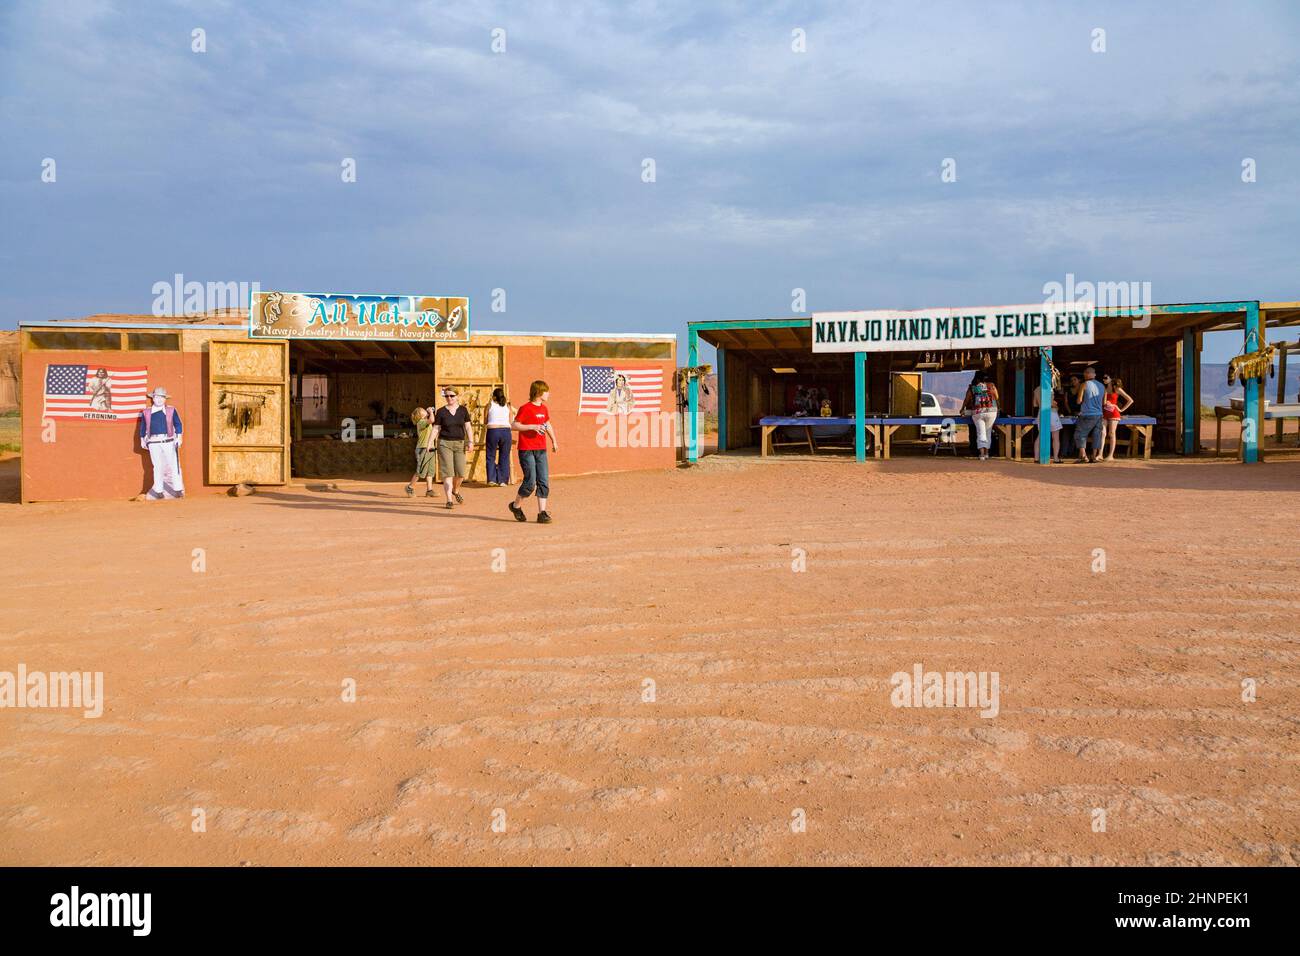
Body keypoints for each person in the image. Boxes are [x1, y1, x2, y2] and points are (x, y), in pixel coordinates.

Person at [509, 380, 558, 524]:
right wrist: (532, 427)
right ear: (538, 392)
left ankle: (542, 513)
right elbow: (514, 425)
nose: (548, 394)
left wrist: (554, 440)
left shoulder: (544, 409)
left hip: (541, 449)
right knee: (530, 482)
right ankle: (515, 506)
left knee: (543, 480)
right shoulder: (526, 408)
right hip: (527, 450)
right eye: (546, 391)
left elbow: (547, 424)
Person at [431, 387, 473, 510]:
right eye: (447, 396)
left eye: (452, 396)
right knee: (448, 473)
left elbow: (468, 427)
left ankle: (455, 490)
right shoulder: (441, 412)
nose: (449, 398)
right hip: (444, 443)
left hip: (459, 443)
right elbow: (436, 429)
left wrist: (471, 441)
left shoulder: (463, 410)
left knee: (460, 473)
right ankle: (449, 500)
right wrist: (430, 443)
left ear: (457, 397)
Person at [139, 386, 184, 499]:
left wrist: (179, 437)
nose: (159, 399)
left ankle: (178, 489)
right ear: (153, 398)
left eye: (162, 397)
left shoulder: (171, 410)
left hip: (168, 440)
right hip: (154, 441)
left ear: (165, 399)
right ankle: (159, 491)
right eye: (157, 397)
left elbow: (178, 424)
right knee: (157, 466)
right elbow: (143, 427)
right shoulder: (146, 412)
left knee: (173, 465)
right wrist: (142, 439)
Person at [961, 371, 1000, 461]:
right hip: (991, 411)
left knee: (980, 432)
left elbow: (967, 399)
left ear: (977, 378)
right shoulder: (992, 385)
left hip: (978, 412)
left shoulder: (973, 388)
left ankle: (982, 454)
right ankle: (987, 453)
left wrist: (962, 408)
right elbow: (997, 397)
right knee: (988, 432)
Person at [1073, 366, 1105, 463]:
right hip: (1099, 414)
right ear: (1094, 375)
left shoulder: (1084, 384)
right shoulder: (1102, 386)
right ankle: (1094, 457)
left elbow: (1079, 401)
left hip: (1087, 414)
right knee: (1096, 435)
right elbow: (1104, 402)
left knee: (1080, 434)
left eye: (1085, 373)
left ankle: (1084, 456)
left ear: (1086, 374)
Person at [1100, 373, 1134, 461]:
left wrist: (1121, 409)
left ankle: (1111, 455)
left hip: (1113, 413)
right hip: (1104, 412)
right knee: (1102, 433)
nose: (1104, 379)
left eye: (1106, 377)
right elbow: (1103, 402)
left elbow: (1130, 400)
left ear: (1111, 378)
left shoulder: (1117, 389)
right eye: (1103, 378)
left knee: (1111, 433)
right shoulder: (1104, 388)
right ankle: (1100, 454)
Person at [485, 387, 514, 486]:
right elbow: (511, 421)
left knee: (490, 455)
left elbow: (485, 420)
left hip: (493, 430)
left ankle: (492, 479)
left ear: (494, 396)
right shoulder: (508, 406)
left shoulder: (489, 405)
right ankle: (502, 481)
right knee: (505, 456)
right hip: (506, 431)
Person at [405, 406, 436, 497]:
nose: (425, 410)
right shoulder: (421, 422)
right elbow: (432, 420)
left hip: (430, 448)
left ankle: (429, 490)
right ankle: (410, 487)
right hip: (423, 448)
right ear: (420, 415)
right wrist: (431, 412)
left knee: (430, 471)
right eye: (423, 411)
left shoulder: (425, 422)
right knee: (421, 471)